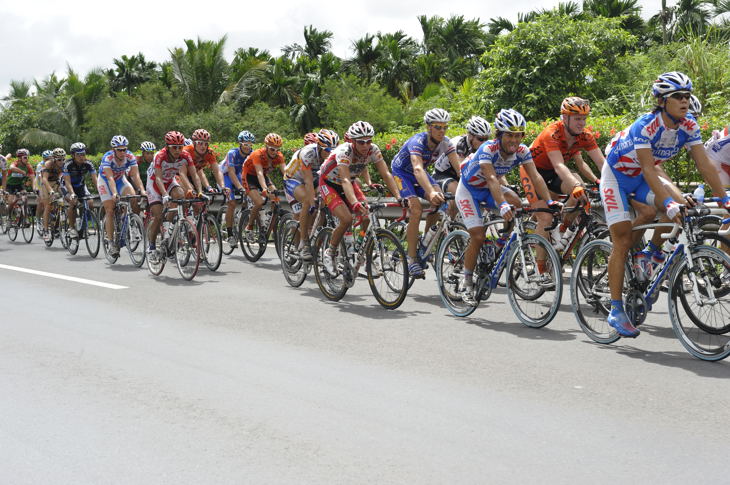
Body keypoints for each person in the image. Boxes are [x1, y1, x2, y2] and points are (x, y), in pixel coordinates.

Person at [601, 71, 730, 338]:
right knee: (622, 240)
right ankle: (615, 308)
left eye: (687, 96)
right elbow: (649, 168)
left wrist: (725, 200)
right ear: (661, 101)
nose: (685, 101)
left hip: (643, 177)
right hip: (617, 177)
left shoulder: (689, 125)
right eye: (678, 97)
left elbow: (704, 165)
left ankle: (651, 253)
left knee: (682, 210)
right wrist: (669, 202)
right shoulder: (645, 126)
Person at [456, 109, 559, 305]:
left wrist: (549, 201)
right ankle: (466, 280)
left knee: (517, 204)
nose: (514, 139)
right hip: (469, 190)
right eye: (509, 135)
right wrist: (501, 204)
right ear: (500, 135)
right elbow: (492, 178)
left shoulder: (522, 151)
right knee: (477, 236)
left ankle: (500, 245)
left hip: (488, 188)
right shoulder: (488, 149)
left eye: (518, 135)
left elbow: (535, 177)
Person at [318, 122, 403, 273]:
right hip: (329, 183)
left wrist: (399, 196)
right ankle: (329, 253)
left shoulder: (373, 150)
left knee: (366, 217)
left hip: (349, 183)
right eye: (361, 142)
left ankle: (359, 248)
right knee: (346, 219)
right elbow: (344, 179)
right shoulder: (344, 151)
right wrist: (355, 203)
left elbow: (386, 174)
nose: (365, 145)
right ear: (352, 141)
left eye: (369, 141)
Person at [526, 97, 605, 248]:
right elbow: (559, 165)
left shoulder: (583, 136)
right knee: (546, 219)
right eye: (577, 119)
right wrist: (575, 185)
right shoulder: (552, 133)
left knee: (580, 193)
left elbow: (601, 163)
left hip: (555, 173)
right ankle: (540, 269)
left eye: (584, 118)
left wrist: (606, 181)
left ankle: (563, 228)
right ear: (565, 118)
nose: (582, 123)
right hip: (534, 172)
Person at [391, 108, 460, 277]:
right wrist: (430, 192)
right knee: (416, 209)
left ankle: (425, 244)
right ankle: (411, 258)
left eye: (445, 127)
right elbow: (417, 168)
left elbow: (459, 169)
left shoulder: (446, 143)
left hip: (419, 174)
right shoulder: (417, 142)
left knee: (441, 201)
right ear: (428, 127)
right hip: (402, 173)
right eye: (438, 127)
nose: (442, 131)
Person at [146, 131, 204, 262]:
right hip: (154, 183)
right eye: (174, 147)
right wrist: (165, 195)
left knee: (181, 196)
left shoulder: (185, 155)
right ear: (167, 147)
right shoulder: (160, 156)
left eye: (180, 147)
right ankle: (152, 246)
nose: (178, 150)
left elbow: (195, 175)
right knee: (158, 216)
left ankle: (170, 231)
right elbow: (159, 178)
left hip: (170, 181)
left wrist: (199, 191)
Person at [284, 128, 339, 261]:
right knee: (308, 201)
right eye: (327, 150)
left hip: (313, 179)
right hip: (294, 179)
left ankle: (315, 237)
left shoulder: (334, 154)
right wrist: (312, 201)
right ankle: (304, 243)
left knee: (321, 206)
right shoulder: (308, 153)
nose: (331, 152)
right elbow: (308, 182)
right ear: (319, 147)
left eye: (333, 149)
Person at [432, 115, 492, 218]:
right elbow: (461, 171)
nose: (484, 143)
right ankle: (447, 228)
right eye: (481, 139)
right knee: (458, 194)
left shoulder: (484, 147)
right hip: (443, 174)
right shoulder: (458, 144)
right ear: (471, 136)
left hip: (460, 175)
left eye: (486, 139)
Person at [97, 135, 147, 256]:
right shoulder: (108, 157)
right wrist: (114, 193)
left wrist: (142, 190)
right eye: (119, 149)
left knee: (133, 197)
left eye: (124, 149)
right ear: (114, 149)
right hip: (105, 182)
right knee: (110, 210)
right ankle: (111, 242)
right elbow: (109, 178)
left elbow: (135, 176)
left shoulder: (130, 156)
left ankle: (130, 222)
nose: (122, 152)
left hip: (120, 179)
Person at [240, 133, 286, 242]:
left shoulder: (279, 156)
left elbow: (286, 173)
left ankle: (268, 221)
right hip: (249, 176)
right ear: (266, 147)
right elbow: (259, 173)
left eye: (277, 149)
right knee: (259, 202)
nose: (275, 152)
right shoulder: (258, 154)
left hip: (263, 177)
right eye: (272, 149)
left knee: (276, 199)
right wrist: (265, 189)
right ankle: (249, 226)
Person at [220, 130, 255, 247]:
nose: (248, 147)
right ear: (240, 144)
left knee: (250, 194)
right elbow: (231, 172)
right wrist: (240, 187)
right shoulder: (232, 153)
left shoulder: (252, 154)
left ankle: (243, 214)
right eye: (245, 144)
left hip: (239, 174)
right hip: (226, 176)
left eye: (250, 144)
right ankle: (230, 234)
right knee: (232, 203)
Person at [62, 142, 98, 239]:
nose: (82, 157)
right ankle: (71, 228)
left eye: (83, 154)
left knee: (90, 203)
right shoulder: (67, 165)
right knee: (73, 202)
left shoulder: (88, 164)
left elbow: (95, 179)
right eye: (79, 154)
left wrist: (101, 191)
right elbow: (67, 182)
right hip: (67, 186)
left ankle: (83, 225)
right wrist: (72, 194)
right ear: (73, 155)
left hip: (80, 186)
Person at [179, 128, 226, 195]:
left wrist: (222, 187)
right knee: (188, 192)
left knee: (199, 202)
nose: (203, 146)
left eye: (206, 143)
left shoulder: (209, 153)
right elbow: (182, 173)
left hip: (194, 175)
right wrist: (191, 189)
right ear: (194, 143)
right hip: (178, 174)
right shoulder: (186, 151)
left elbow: (217, 171)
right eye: (200, 143)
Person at [41, 148, 67, 241]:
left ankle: (57, 226)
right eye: (59, 159)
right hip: (46, 182)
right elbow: (44, 179)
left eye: (63, 159)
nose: (62, 161)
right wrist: (51, 191)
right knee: (48, 206)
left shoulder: (65, 164)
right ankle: (45, 230)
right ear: (54, 159)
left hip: (56, 182)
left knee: (62, 202)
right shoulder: (48, 164)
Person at [33, 150, 52, 221]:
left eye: (50, 158)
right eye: (46, 159)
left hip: (50, 182)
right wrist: (37, 189)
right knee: (41, 202)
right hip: (40, 183)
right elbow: (40, 178)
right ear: (43, 159)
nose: (48, 160)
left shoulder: (53, 164)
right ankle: (37, 218)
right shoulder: (40, 165)